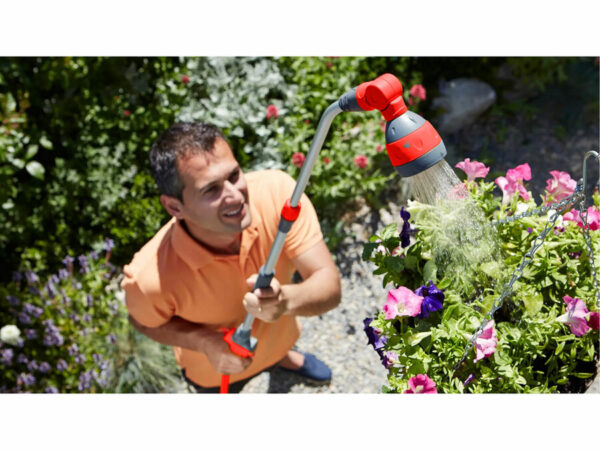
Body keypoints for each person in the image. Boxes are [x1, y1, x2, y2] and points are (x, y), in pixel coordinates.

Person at [121, 122, 341, 393]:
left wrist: (284, 302)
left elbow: (329, 286)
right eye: (211, 190)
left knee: (278, 349)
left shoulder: (278, 194)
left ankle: (282, 357)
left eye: (234, 175)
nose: (235, 196)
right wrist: (205, 342)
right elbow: (142, 321)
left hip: (280, 337)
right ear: (174, 206)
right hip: (216, 371)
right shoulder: (147, 278)